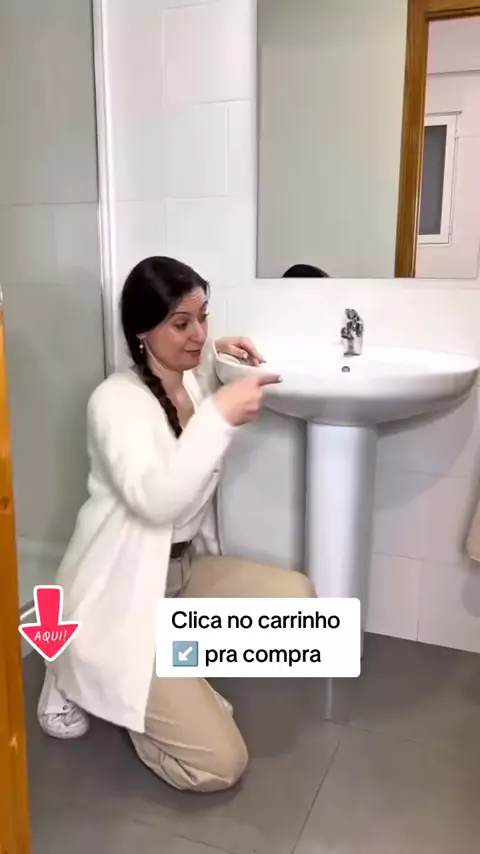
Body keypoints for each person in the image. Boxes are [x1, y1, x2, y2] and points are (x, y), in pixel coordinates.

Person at [37, 256, 315, 793]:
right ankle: (75, 667)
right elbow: (156, 500)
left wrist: (217, 354)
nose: (200, 334)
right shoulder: (115, 402)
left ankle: (164, 673)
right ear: (142, 332)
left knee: (297, 601)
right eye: (181, 323)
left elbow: (197, 379)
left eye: (203, 318)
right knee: (220, 765)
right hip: (120, 594)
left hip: (179, 578)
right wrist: (220, 417)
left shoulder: (192, 381)